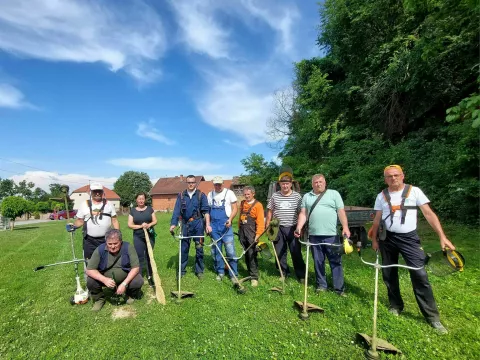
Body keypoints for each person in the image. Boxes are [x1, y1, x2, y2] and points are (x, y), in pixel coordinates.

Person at [370, 165, 456, 334]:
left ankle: (432, 318)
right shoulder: (381, 196)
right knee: (389, 273)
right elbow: (376, 220)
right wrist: (374, 240)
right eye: (389, 176)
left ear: (403, 176)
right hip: (387, 239)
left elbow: (429, 214)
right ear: (385, 179)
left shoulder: (414, 191)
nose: (393, 178)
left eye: (396, 175)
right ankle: (395, 305)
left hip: (409, 239)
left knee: (419, 274)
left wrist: (442, 236)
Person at [295, 174, 350, 296]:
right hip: (314, 235)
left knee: (335, 261)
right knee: (318, 261)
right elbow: (303, 214)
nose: (318, 184)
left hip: (331, 235)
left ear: (325, 183)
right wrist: (299, 227)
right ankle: (321, 285)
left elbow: (341, 211)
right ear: (312, 184)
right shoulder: (307, 197)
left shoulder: (334, 194)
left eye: (320, 182)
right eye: (315, 182)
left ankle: (339, 288)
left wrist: (345, 227)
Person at [86, 229, 144, 311]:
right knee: (90, 281)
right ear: (106, 242)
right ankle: (99, 299)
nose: (112, 246)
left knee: (138, 280)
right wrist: (104, 279)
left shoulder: (128, 247)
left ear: (121, 241)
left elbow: (136, 267)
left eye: (115, 243)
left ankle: (127, 293)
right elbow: (89, 270)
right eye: (109, 244)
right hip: (106, 280)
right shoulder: (100, 250)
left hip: (125, 279)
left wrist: (124, 284)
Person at [266, 174, 305, 283]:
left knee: (296, 252)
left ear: (291, 184)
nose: (285, 186)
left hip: (293, 227)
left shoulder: (297, 196)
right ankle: (283, 272)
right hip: (277, 227)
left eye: (287, 183)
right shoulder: (275, 196)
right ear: (280, 184)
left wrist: (300, 228)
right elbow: (270, 211)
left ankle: (301, 274)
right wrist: (267, 225)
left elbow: (301, 212)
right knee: (280, 252)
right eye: (283, 184)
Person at [170, 175, 210, 279]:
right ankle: (182, 271)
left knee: (199, 248)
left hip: (198, 224)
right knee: (184, 248)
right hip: (185, 225)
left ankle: (199, 271)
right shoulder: (181, 195)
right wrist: (173, 224)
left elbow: (206, 212)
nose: (191, 184)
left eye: (192, 182)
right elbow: (176, 210)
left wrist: (208, 225)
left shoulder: (201, 195)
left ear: (195, 183)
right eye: (189, 182)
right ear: (186, 183)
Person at [74, 182, 119, 260]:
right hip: (89, 240)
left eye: (99, 191)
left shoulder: (109, 204)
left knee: (106, 262)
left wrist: (118, 235)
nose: (97, 193)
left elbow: (114, 220)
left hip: (106, 239)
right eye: (95, 191)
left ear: (102, 192)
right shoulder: (84, 204)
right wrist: (73, 226)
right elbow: (80, 221)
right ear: (90, 192)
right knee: (90, 263)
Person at [206, 176, 238, 282]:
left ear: (222, 184)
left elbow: (235, 208)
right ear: (213, 184)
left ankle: (233, 274)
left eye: (219, 184)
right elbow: (207, 211)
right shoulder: (210, 194)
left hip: (225, 225)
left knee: (230, 251)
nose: (217, 186)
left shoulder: (229, 193)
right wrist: (208, 225)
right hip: (214, 226)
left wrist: (230, 219)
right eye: (215, 184)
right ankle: (220, 272)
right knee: (216, 251)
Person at [127, 192, 157, 287]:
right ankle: (138, 277)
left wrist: (149, 225)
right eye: (139, 199)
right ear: (136, 200)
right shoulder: (133, 211)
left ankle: (150, 276)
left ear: (145, 199)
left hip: (150, 236)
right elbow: (130, 224)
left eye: (142, 199)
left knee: (149, 256)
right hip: (138, 237)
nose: (141, 200)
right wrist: (140, 226)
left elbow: (155, 220)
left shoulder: (149, 209)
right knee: (139, 256)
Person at [238, 186, 265, 287]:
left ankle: (254, 277)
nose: (246, 196)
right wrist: (239, 229)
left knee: (252, 254)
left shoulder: (258, 205)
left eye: (248, 194)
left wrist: (257, 235)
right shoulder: (242, 203)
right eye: (245, 194)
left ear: (253, 194)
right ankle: (249, 272)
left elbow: (261, 222)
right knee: (245, 252)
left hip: (252, 232)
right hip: (243, 232)